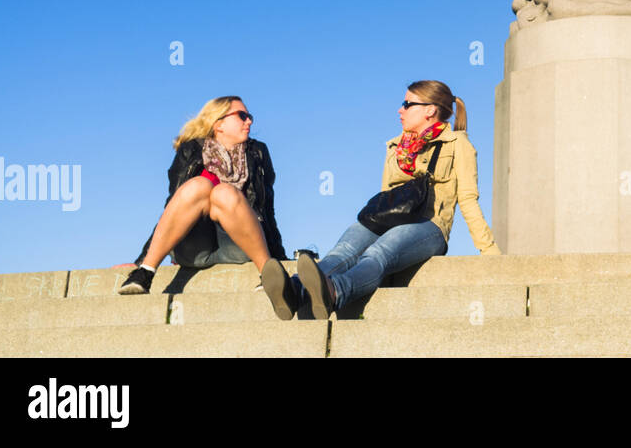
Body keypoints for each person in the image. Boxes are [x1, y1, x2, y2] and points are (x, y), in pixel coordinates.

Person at [295, 80, 500, 319]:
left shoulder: (457, 144)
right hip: (389, 218)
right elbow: (386, 194)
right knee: (342, 251)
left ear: (430, 110)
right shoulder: (395, 146)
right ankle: (294, 289)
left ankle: (335, 291)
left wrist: (489, 251)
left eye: (407, 104)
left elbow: (468, 199)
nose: (399, 110)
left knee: (379, 252)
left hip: (429, 226)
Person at [118, 96, 296, 321]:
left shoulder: (257, 152)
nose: (249, 121)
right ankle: (144, 273)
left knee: (224, 192)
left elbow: (266, 208)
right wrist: (141, 259)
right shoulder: (190, 151)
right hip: (194, 245)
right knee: (200, 186)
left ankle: (268, 273)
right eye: (242, 116)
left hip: (239, 242)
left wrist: (279, 257)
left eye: (250, 117)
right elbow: (174, 206)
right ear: (218, 123)